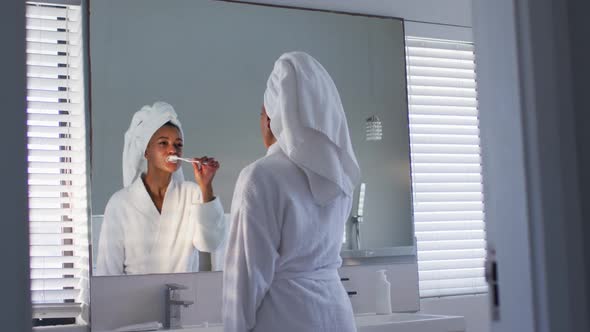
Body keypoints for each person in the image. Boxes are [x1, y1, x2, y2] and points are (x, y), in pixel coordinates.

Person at [222, 52, 360, 332]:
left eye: (262, 112)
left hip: (285, 317)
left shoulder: (260, 177)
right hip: (338, 316)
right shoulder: (340, 176)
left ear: (273, 115)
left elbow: (244, 280)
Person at [96, 101, 227, 275]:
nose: (172, 149)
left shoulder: (192, 194)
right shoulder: (120, 203)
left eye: (178, 144)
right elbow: (108, 272)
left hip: (184, 300)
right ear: (146, 151)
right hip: (133, 300)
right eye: (163, 143)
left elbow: (210, 242)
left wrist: (206, 185)